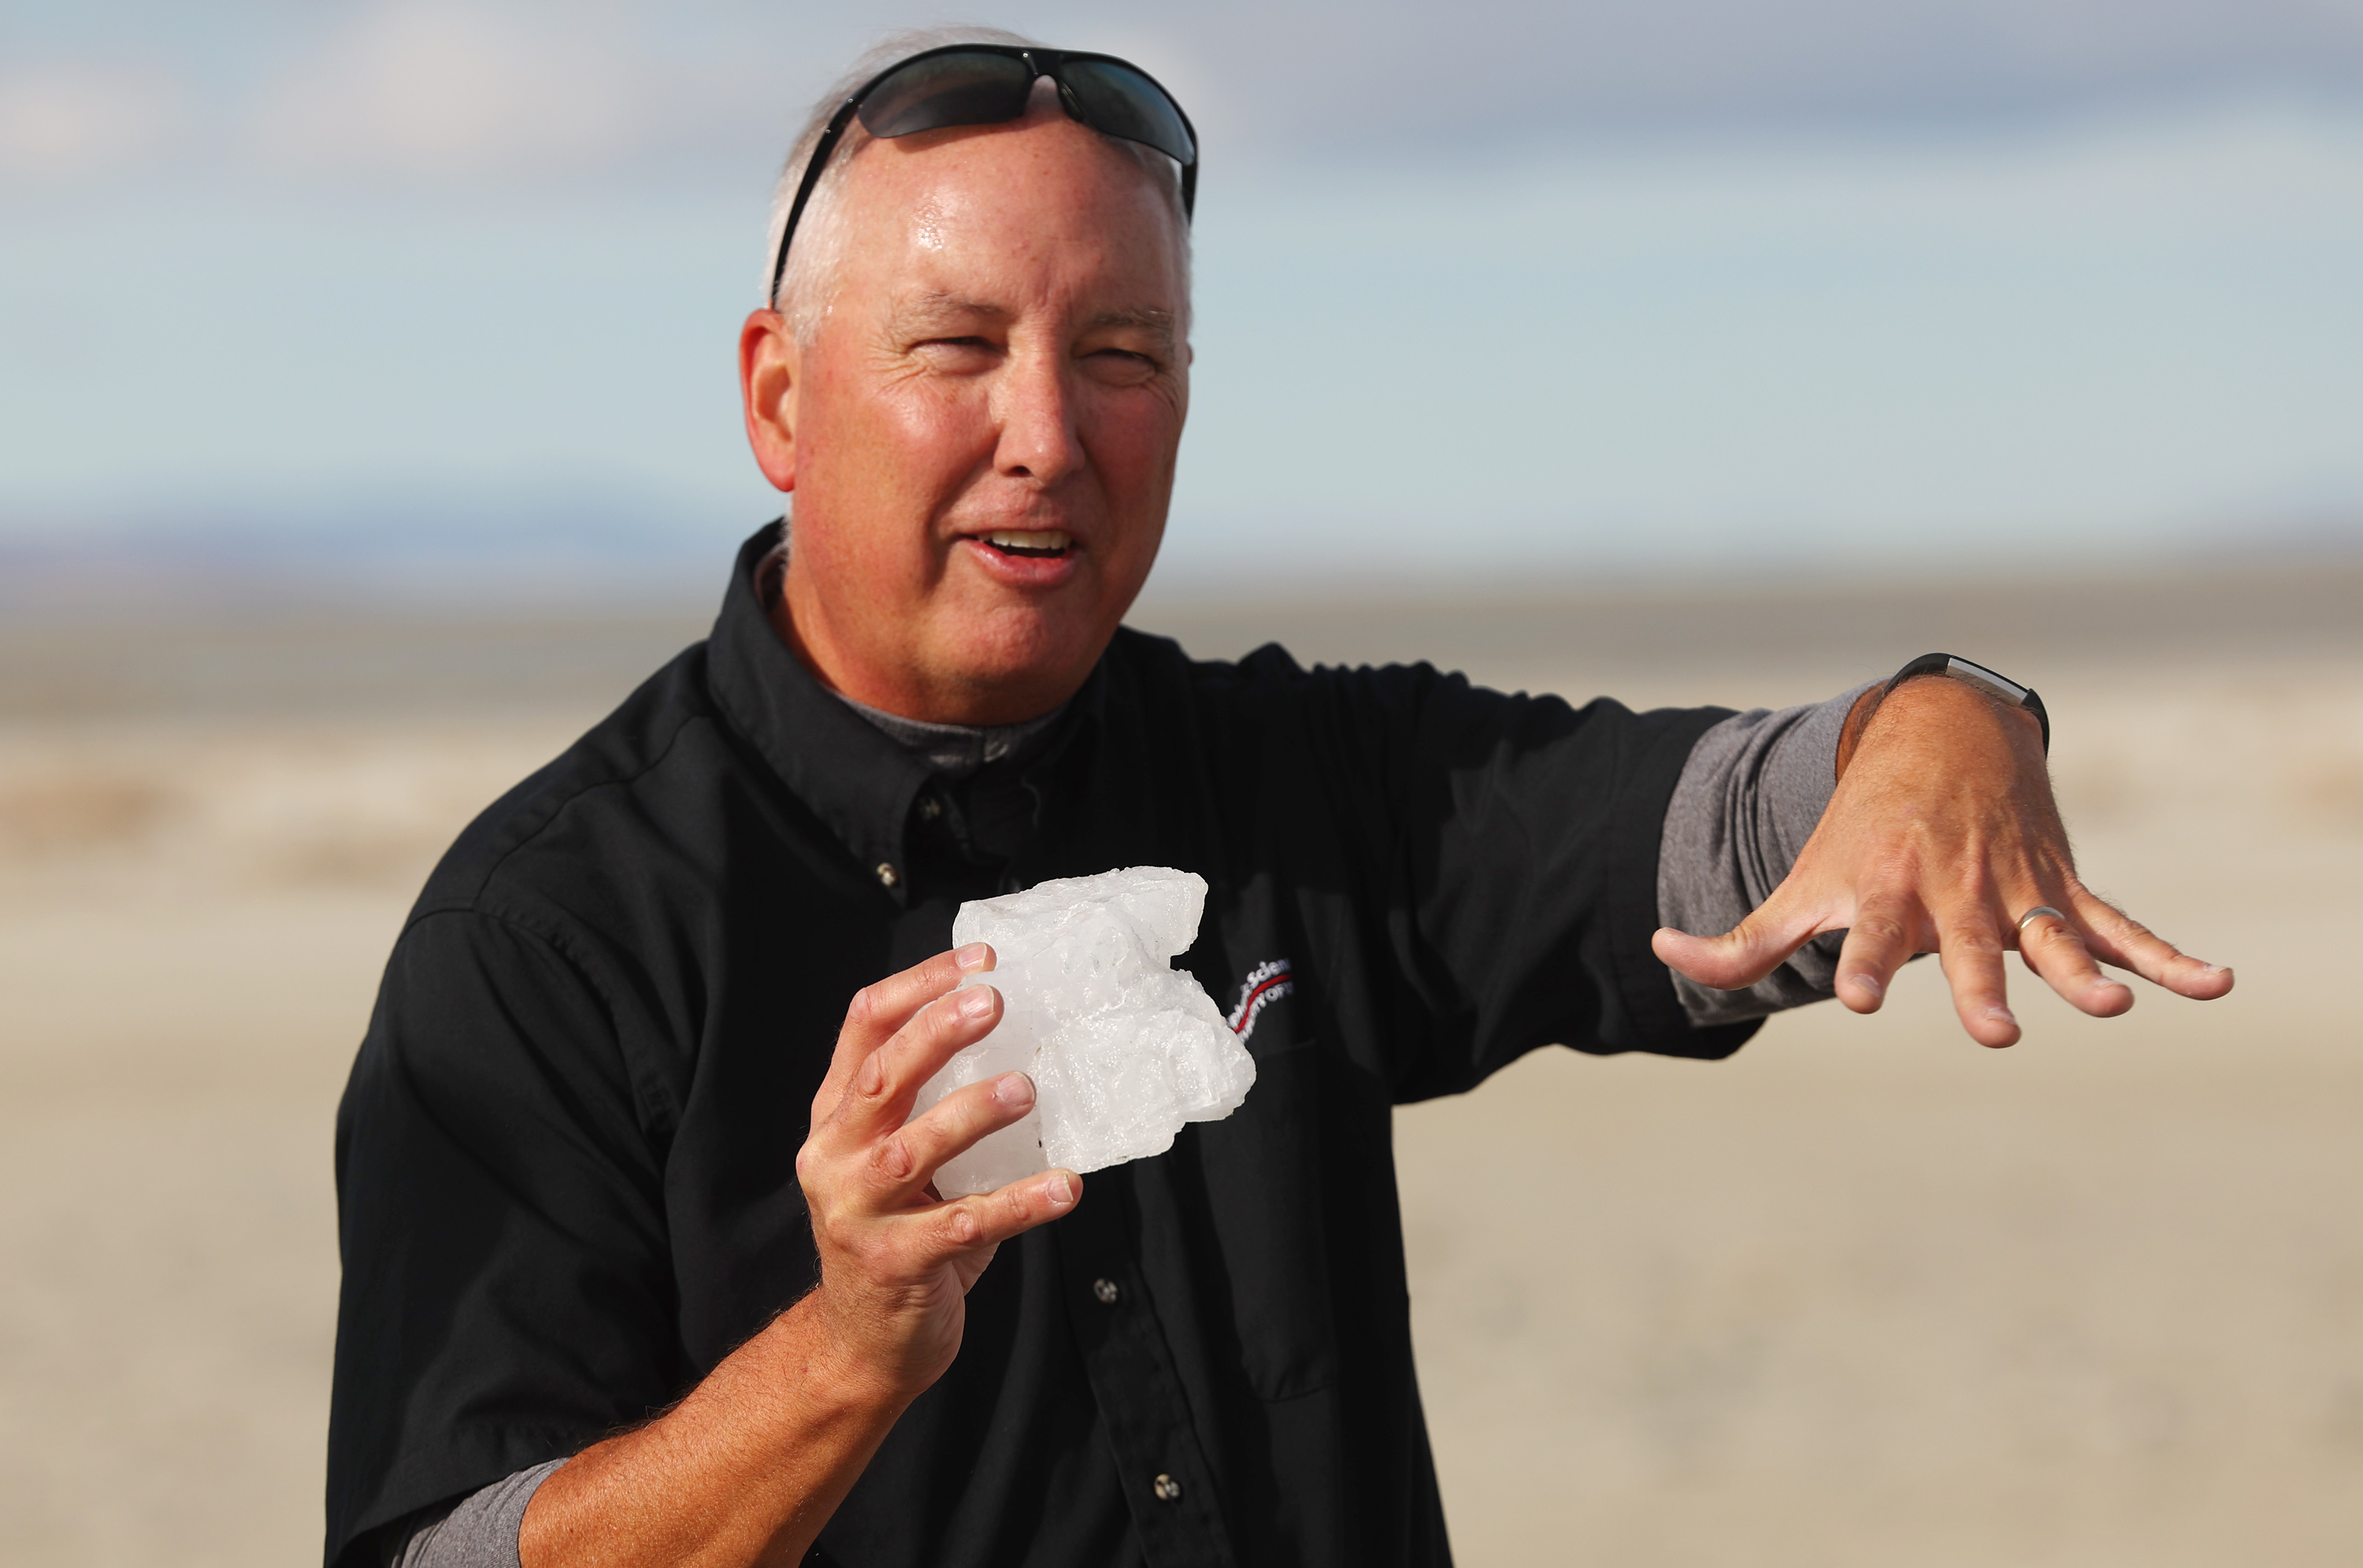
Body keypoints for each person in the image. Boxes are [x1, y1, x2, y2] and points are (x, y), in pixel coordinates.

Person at [326, 28, 2231, 1568]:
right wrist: (842, 1356)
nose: (1050, 437)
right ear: (776, 399)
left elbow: (1737, 824)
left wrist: (1945, 725)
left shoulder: (1295, 786)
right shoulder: (550, 938)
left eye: (1123, 354)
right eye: (957, 348)